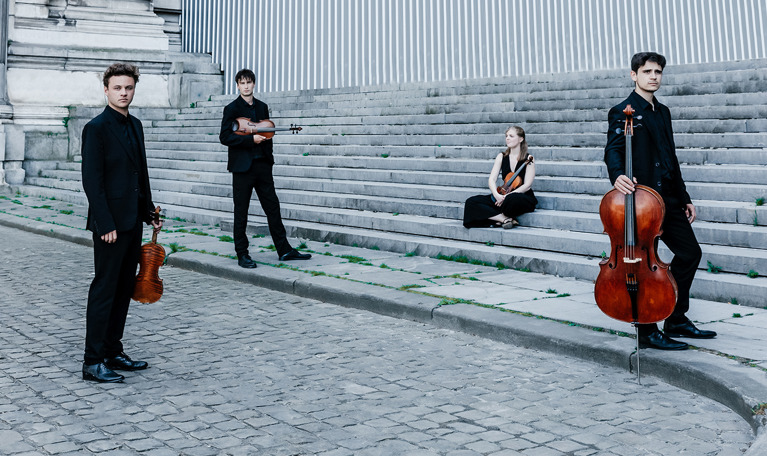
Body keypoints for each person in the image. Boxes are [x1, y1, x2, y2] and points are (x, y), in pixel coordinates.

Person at [604, 51, 716, 350]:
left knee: (690, 253)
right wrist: (617, 175)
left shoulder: (663, 111)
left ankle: (676, 318)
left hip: (667, 198)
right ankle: (646, 329)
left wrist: (684, 197)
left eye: (658, 72)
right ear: (634, 75)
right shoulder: (622, 111)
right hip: (641, 201)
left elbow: (671, 158)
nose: (654, 76)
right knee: (640, 263)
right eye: (647, 72)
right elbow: (613, 150)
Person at [81, 63, 162, 383]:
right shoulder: (96, 128)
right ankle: (92, 361)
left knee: (124, 288)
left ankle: (113, 350)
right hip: (110, 226)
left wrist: (148, 210)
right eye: (117, 88)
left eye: (128, 87)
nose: (123, 93)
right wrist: (105, 223)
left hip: (133, 220)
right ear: (106, 90)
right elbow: (92, 181)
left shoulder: (136, 125)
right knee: (104, 289)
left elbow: (139, 173)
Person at [219, 68, 310, 268]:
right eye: (242, 83)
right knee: (241, 212)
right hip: (242, 169)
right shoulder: (231, 109)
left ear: (253, 84)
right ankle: (242, 254)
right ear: (237, 86)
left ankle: (284, 250)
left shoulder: (262, 107)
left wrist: (268, 156)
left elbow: (267, 132)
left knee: (273, 208)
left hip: (262, 166)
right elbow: (225, 137)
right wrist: (251, 139)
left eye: (248, 82)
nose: (245, 86)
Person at [463, 126, 537, 228]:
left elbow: (527, 185)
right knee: (471, 202)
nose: (507, 138)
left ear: (521, 139)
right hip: (502, 194)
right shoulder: (501, 156)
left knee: (511, 200)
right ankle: (504, 219)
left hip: (520, 196)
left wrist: (507, 197)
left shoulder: (528, 159)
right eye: (506, 136)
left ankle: (493, 216)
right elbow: (492, 179)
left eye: (511, 136)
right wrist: (497, 195)